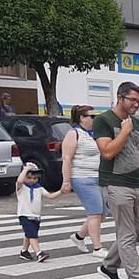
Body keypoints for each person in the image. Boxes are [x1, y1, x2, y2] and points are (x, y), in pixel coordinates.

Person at [95, 81, 139, 279]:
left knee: (138, 231)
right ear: (120, 97)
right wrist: (124, 131)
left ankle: (108, 265)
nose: (137, 104)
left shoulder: (137, 124)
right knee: (126, 233)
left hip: (137, 184)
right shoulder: (104, 121)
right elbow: (107, 152)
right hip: (115, 183)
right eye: (133, 100)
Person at [61, 105, 106, 257]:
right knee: (95, 212)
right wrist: (66, 181)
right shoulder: (74, 134)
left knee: (102, 213)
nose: (94, 120)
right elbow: (67, 158)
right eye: (91, 117)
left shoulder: (93, 134)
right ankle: (97, 248)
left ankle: (79, 236)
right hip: (82, 177)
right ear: (82, 118)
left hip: (97, 176)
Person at [15, 163, 61, 262]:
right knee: (32, 235)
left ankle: (24, 251)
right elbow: (19, 180)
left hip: (36, 215)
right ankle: (39, 253)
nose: (32, 180)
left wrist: (61, 191)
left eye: (35, 178)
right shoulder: (21, 187)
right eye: (29, 177)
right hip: (25, 215)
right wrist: (25, 169)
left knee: (30, 234)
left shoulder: (39, 188)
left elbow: (50, 196)